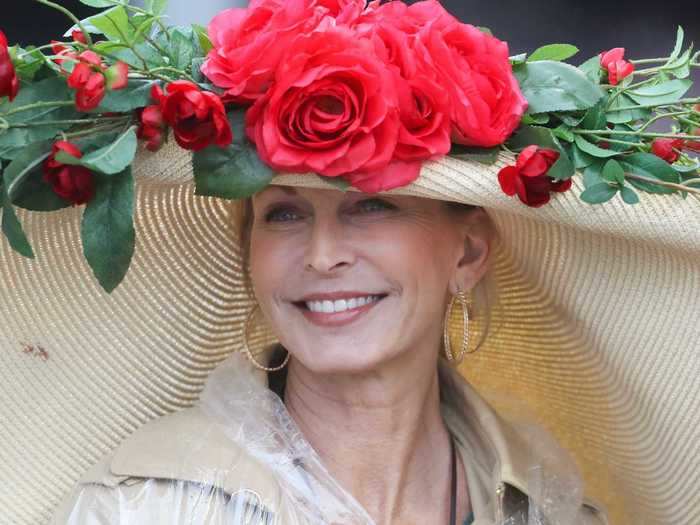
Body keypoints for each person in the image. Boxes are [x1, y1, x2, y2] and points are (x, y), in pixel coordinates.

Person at [1, 1, 698, 524]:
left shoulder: (548, 508)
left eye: (371, 205)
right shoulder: (144, 509)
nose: (324, 254)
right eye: (284, 213)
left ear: (469, 250)